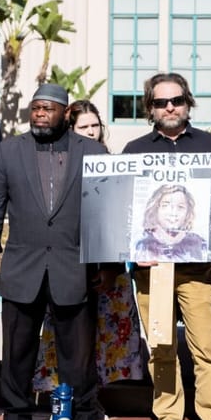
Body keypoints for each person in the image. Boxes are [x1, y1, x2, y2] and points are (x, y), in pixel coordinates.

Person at [0, 83, 106, 420]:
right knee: (16, 352)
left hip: (74, 268)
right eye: (36, 108)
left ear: (66, 113)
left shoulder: (92, 151)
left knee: (78, 354)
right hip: (21, 267)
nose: (40, 114)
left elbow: (106, 210)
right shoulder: (8, 151)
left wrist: (104, 263)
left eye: (48, 109)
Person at [122, 73, 211, 420]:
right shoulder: (135, 149)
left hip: (196, 267)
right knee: (161, 345)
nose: (169, 107)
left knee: (207, 345)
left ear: (188, 102)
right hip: (151, 267)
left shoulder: (210, 145)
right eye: (161, 103)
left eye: (176, 100)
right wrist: (130, 249)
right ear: (151, 109)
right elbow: (124, 209)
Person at [32, 102, 144, 402]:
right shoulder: (57, 165)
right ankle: (68, 398)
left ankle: (93, 400)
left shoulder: (113, 162)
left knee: (102, 339)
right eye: (84, 127)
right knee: (70, 338)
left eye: (95, 125)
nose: (91, 132)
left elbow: (120, 219)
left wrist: (112, 266)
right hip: (67, 268)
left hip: (107, 268)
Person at [132, 184, 210, 261]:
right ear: (155, 209)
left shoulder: (198, 243)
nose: (173, 213)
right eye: (165, 206)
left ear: (188, 212)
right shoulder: (143, 245)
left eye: (180, 207)